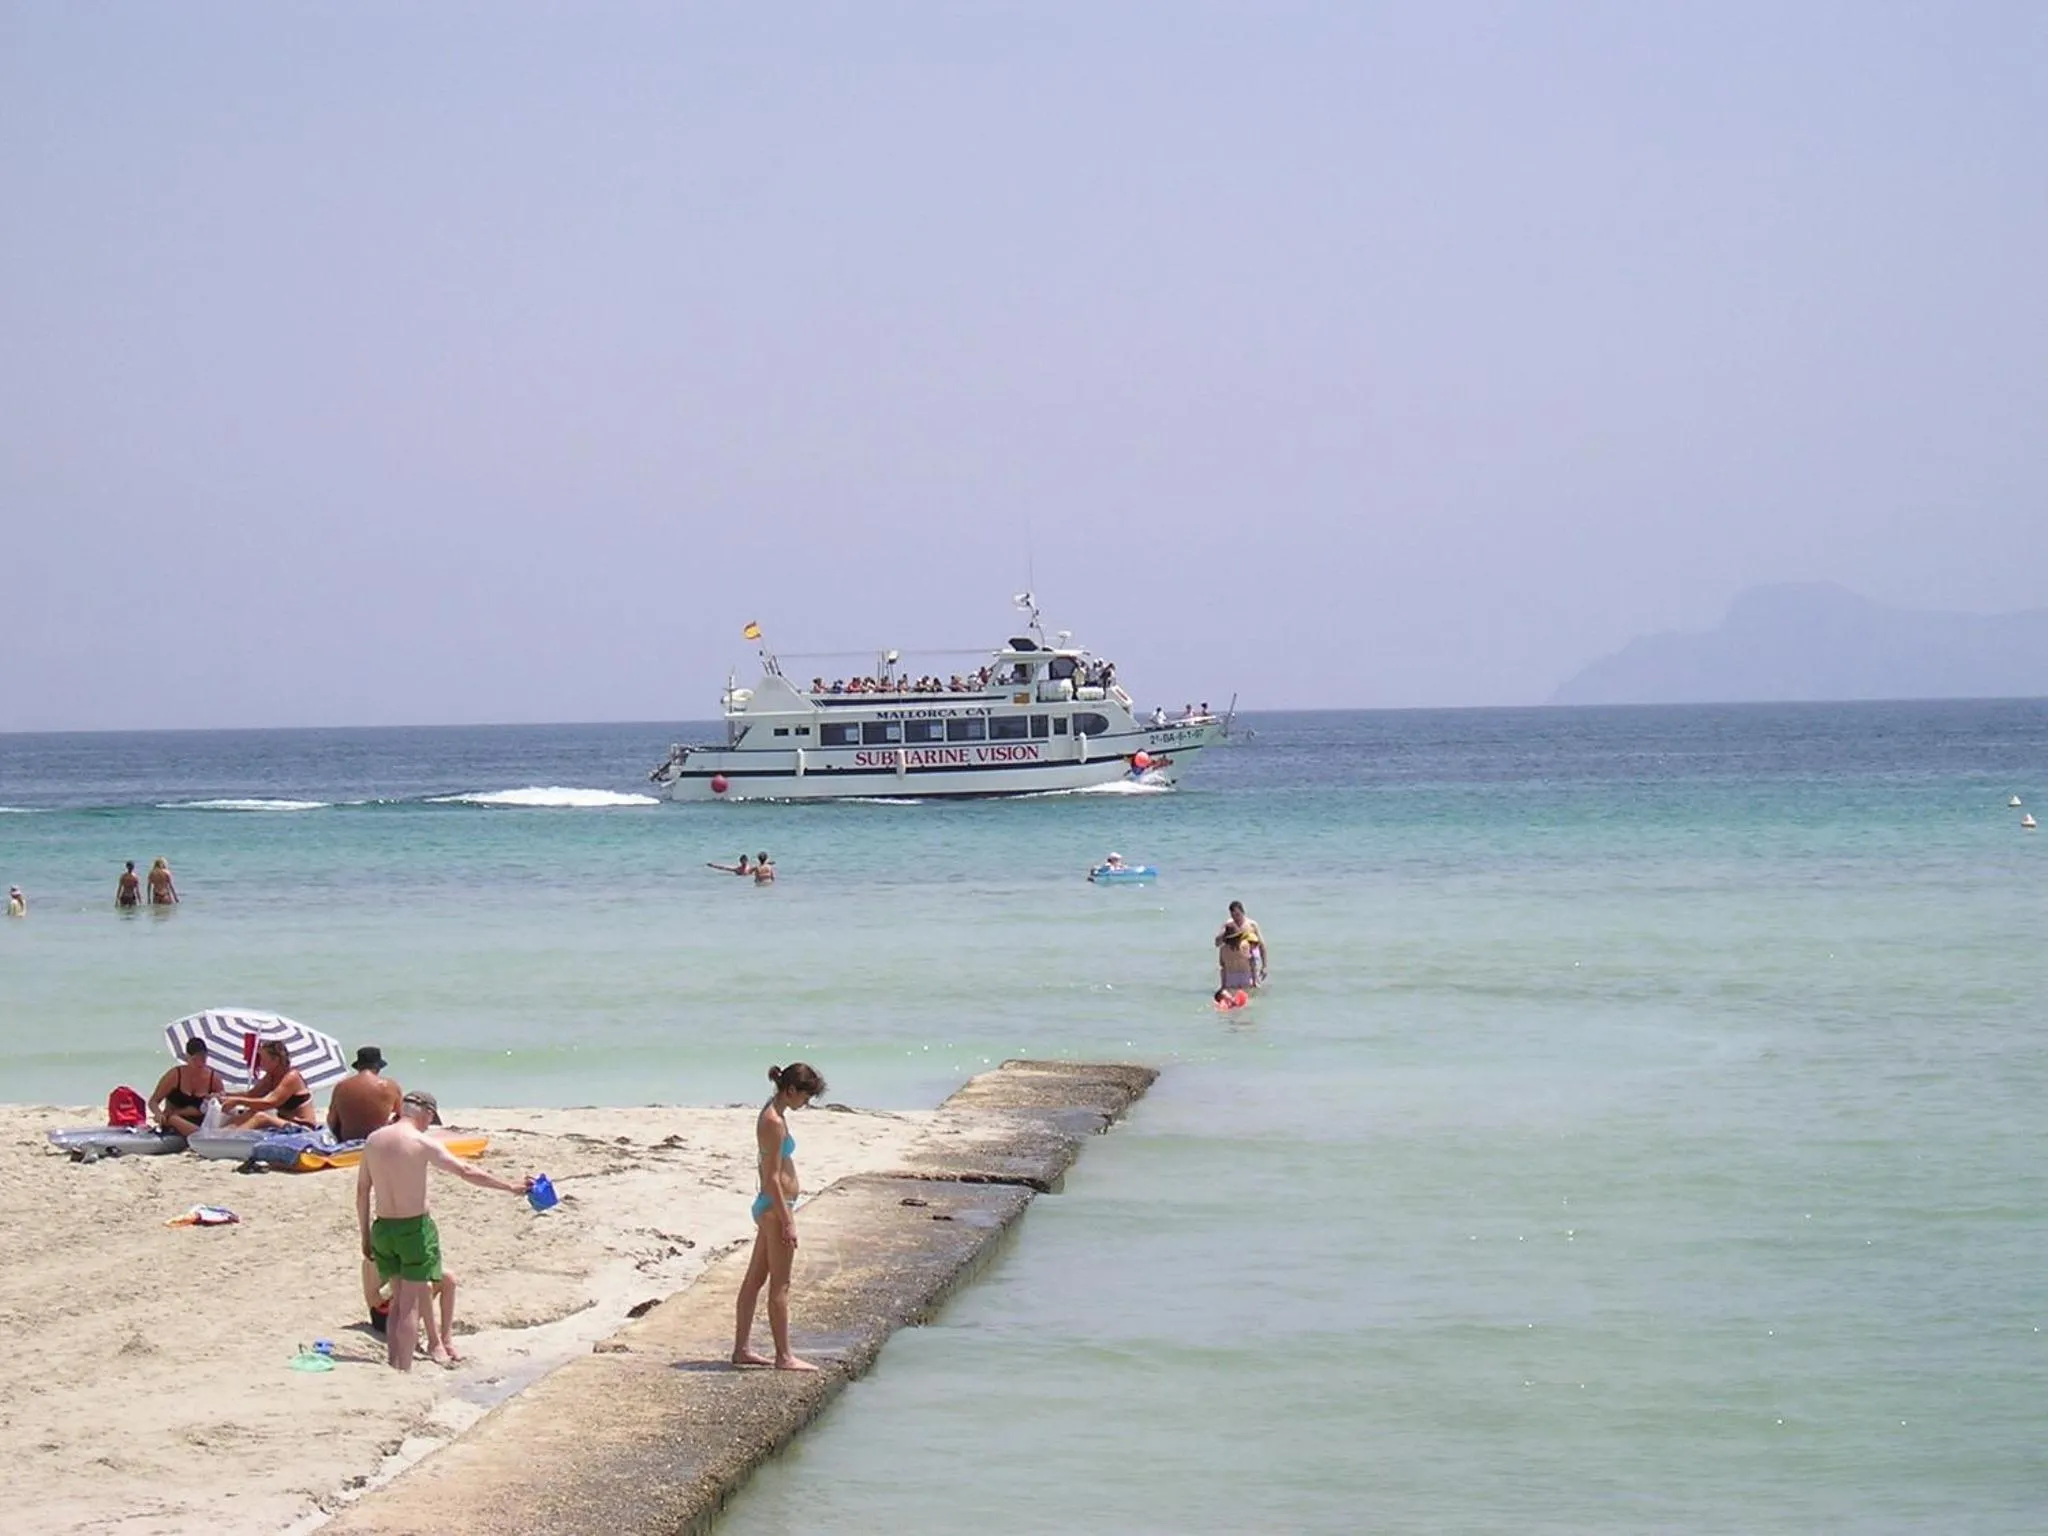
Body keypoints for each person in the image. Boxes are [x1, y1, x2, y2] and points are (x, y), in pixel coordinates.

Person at [358, 1090, 532, 1371]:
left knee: (400, 1300)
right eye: (430, 1118)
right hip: (413, 1227)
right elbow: (465, 1171)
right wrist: (509, 1186)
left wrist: (365, 1236)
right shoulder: (420, 1141)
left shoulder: (373, 1140)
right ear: (425, 1112)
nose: (430, 1124)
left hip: (383, 1228)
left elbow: (362, 1191)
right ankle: (403, 1367)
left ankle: (394, 1364)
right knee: (410, 1304)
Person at [732, 1062, 826, 1371]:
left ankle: (742, 1349)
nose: (807, 1103)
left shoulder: (774, 1113)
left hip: (771, 1207)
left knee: (755, 1280)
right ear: (791, 1090)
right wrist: (788, 1221)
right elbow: (772, 1177)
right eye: (805, 1096)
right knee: (780, 1286)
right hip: (775, 1209)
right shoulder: (773, 1121)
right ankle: (784, 1356)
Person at [218, 1039, 321, 1131]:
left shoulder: (291, 1077)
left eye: (262, 1058)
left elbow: (270, 1102)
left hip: (302, 1127)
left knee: (261, 1117)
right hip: (284, 1124)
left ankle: (231, 1141)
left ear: (275, 1060)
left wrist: (237, 1101)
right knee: (251, 1112)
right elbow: (252, 1095)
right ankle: (219, 1134)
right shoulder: (271, 1076)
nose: (259, 1062)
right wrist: (224, 1096)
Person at [149, 1037, 226, 1136]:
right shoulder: (175, 1075)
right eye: (195, 1059)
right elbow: (154, 1101)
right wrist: (158, 1113)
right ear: (187, 1057)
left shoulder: (213, 1078)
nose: (199, 1063)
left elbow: (223, 1107)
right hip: (174, 1123)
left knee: (173, 1118)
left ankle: (200, 1138)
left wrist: (217, 1097)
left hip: (200, 1126)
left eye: (203, 1059)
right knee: (172, 1118)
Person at [329, 1045, 403, 1142]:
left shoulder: (341, 1086)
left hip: (348, 1141)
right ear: (378, 1066)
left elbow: (331, 1121)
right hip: (377, 1141)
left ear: (358, 1067)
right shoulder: (390, 1086)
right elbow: (402, 1116)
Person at [1226, 900, 1269, 985]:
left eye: (1237, 915)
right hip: (1235, 964)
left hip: (1251, 963)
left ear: (1243, 912)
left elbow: (1262, 945)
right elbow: (1217, 942)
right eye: (1233, 915)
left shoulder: (1252, 924)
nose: (1236, 918)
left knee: (1254, 987)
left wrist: (1264, 966)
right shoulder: (1229, 925)